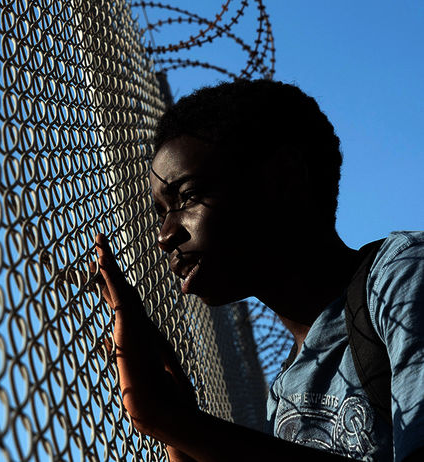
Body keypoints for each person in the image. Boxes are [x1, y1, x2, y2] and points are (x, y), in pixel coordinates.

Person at [92, 79, 424, 461]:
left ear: (282, 179)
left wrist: (172, 421)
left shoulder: (402, 275)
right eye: (161, 213)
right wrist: (178, 436)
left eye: (188, 196)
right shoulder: (285, 396)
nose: (166, 235)